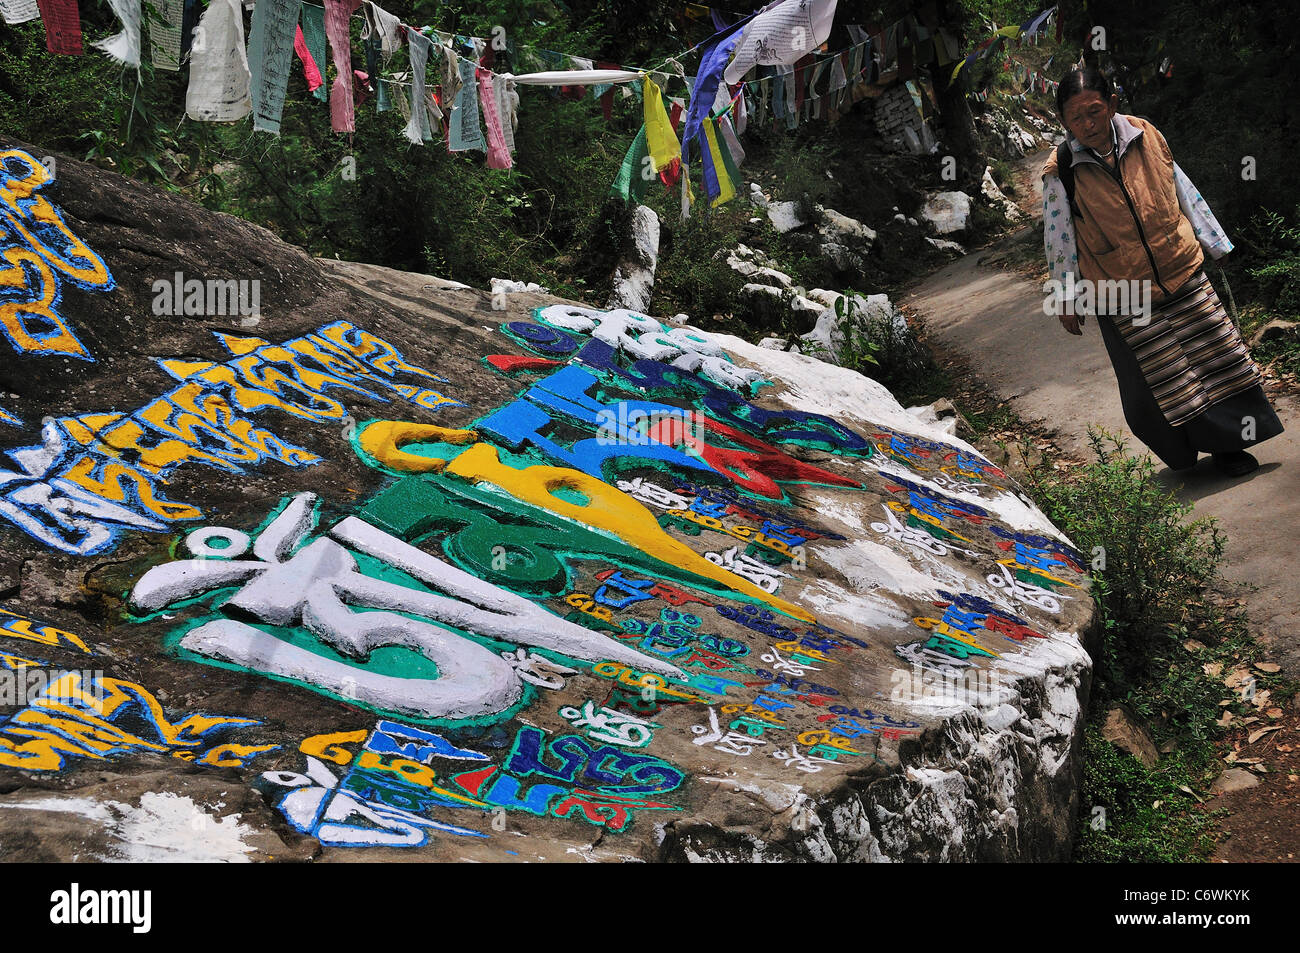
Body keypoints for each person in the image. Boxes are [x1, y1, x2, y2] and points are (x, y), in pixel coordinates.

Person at [1041, 67, 1283, 477]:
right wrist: (1065, 296)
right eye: (1075, 117)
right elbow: (1058, 237)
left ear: (1112, 104)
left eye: (1094, 111)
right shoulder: (1061, 168)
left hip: (1180, 265)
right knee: (1168, 376)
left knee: (1216, 357)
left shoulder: (1145, 134)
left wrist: (1214, 240)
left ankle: (1231, 448)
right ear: (1063, 121)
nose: (1087, 124)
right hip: (1124, 292)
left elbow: (1179, 186)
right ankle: (1192, 451)